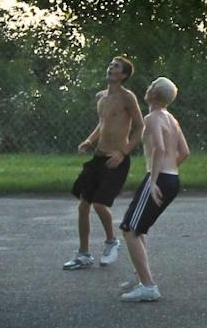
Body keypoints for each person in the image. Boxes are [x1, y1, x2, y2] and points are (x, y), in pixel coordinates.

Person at [66, 55, 144, 270]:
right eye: (110, 64)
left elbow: (140, 127)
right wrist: (89, 141)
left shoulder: (127, 98)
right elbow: (103, 124)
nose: (111, 68)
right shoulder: (101, 97)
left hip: (116, 159)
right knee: (83, 205)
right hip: (98, 157)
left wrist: (123, 152)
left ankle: (112, 242)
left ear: (124, 75)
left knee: (100, 204)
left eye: (116, 66)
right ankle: (83, 254)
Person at [117, 76, 191, 303]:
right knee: (139, 229)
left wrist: (154, 181)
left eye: (150, 87)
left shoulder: (152, 118)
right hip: (172, 179)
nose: (147, 88)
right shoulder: (172, 119)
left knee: (129, 229)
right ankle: (142, 277)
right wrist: (168, 173)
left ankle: (149, 286)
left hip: (158, 178)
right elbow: (185, 152)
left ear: (152, 94)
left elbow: (159, 148)